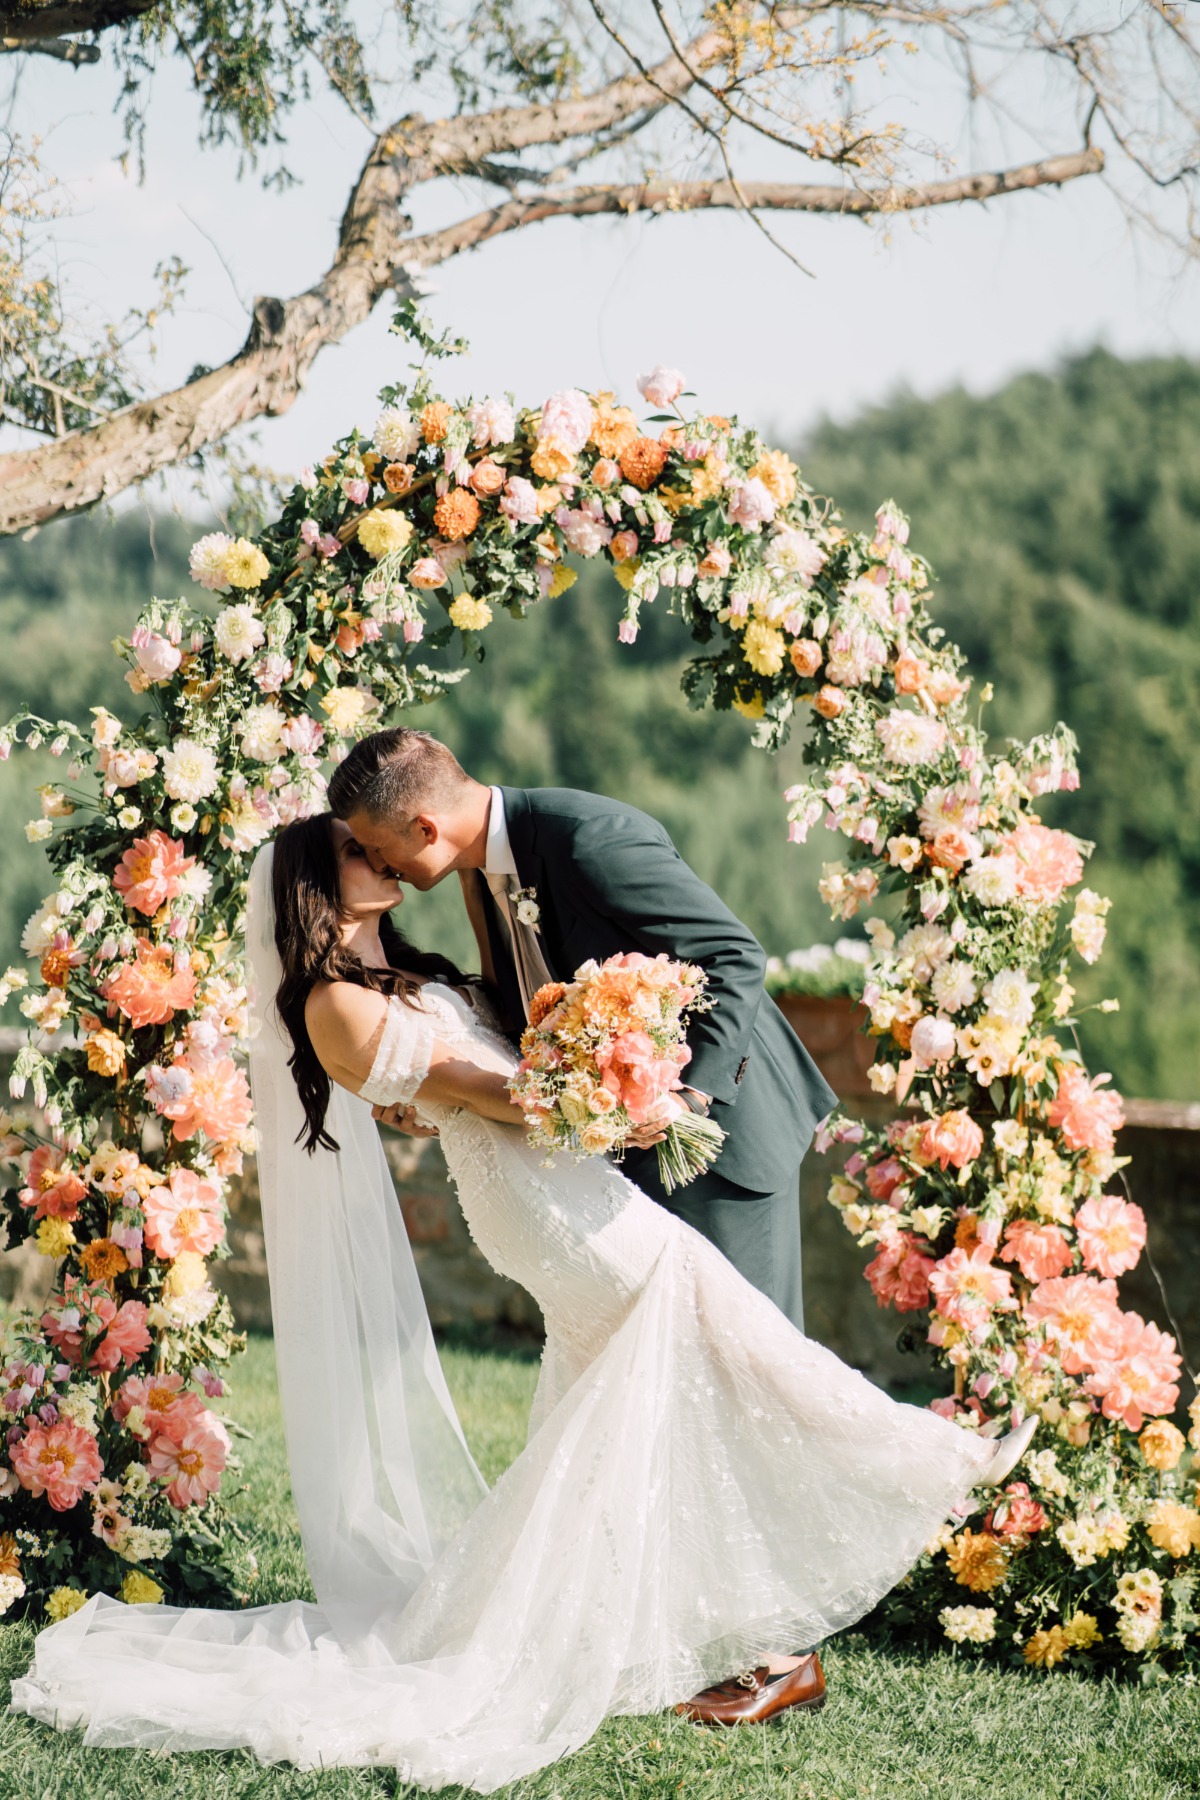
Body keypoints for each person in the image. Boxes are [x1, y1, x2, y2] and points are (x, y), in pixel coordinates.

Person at [11, 814, 1036, 1791]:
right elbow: (490, 1094)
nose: (380, 860)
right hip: (540, 1204)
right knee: (722, 1329)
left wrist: (596, 1045)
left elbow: (487, 1081)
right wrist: (624, 1084)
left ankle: (620, 1621)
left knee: (614, 1396)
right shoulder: (332, 999)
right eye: (354, 853)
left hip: (557, 1190)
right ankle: (930, 1460)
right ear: (317, 888)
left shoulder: (394, 974)